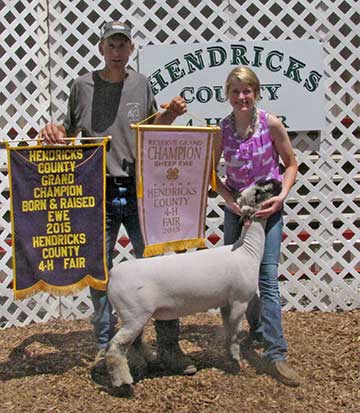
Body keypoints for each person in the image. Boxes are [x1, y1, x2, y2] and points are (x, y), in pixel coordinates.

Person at [39, 21, 196, 376]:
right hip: (97, 188)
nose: (116, 51)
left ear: (131, 49)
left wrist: (168, 115)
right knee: (99, 270)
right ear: (102, 47)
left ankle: (169, 348)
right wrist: (54, 130)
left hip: (142, 187)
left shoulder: (142, 84)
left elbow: (152, 130)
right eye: (111, 44)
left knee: (161, 267)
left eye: (123, 44)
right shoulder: (81, 86)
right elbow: (68, 129)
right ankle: (106, 348)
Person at [213, 66, 301, 386]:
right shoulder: (222, 129)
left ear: (256, 92)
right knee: (239, 280)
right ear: (228, 94)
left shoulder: (270, 123)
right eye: (235, 91)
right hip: (238, 213)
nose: (242, 97)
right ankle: (256, 331)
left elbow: (291, 163)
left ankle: (276, 353)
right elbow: (211, 173)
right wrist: (228, 200)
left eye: (247, 90)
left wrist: (282, 196)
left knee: (266, 279)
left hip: (268, 211)